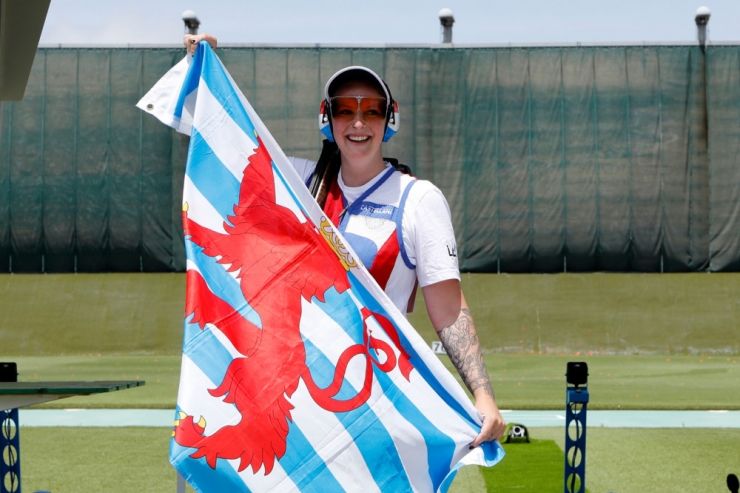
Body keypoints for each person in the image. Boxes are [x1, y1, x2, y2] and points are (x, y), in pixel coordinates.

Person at [184, 34, 506, 446]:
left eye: (372, 110)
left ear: (390, 120)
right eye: (344, 109)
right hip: (303, 408)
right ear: (327, 117)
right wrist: (203, 66)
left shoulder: (418, 199)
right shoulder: (297, 181)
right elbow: (215, 139)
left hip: (377, 408)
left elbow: (447, 308)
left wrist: (483, 394)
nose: (358, 123)